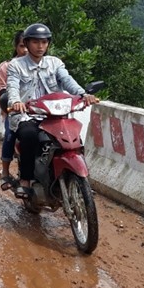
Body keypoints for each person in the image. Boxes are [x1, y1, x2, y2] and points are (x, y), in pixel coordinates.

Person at [6, 23, 99, 198]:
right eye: (35, 42)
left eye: (44, 42)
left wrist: (83, 94)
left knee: (73, 136)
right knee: (28, 135)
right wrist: (16, 101)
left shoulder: (54, 63)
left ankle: (80, 180)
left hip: (54, 114)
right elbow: (12, 86)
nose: (40, 46)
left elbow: (67, 80)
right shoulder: (16, 65)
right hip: (28, 114)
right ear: (26, 43)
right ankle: (25, 180)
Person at [0, 30, 27, 191]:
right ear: (16, 47)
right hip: (14, 112)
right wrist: (11, 101)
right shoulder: (6, 67)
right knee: (10, 134)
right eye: (22, 46)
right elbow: (2, 90)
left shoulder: (42, 66)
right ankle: (5, 172)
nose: (26, 50)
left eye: (28, 45)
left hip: (39, 111)